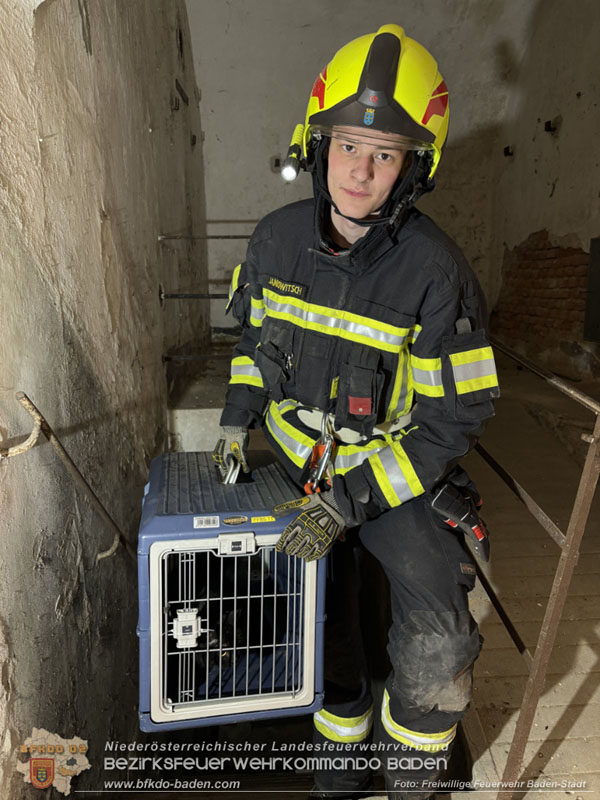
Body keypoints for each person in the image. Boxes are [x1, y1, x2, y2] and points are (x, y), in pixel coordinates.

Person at [212, 23, 499, 800]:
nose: (360, 171)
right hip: (293, 470)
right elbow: (253, 346)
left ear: (415, 168)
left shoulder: (438, 275)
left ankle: (410, 782)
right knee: (321, 626)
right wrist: (236, 419)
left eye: (385, 154)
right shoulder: (274, 241)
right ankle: (337, 775)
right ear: (317, 144)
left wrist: (352, 500)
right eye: (347, 145)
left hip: (387, 479)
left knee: (439, 643)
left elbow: (450, 423)